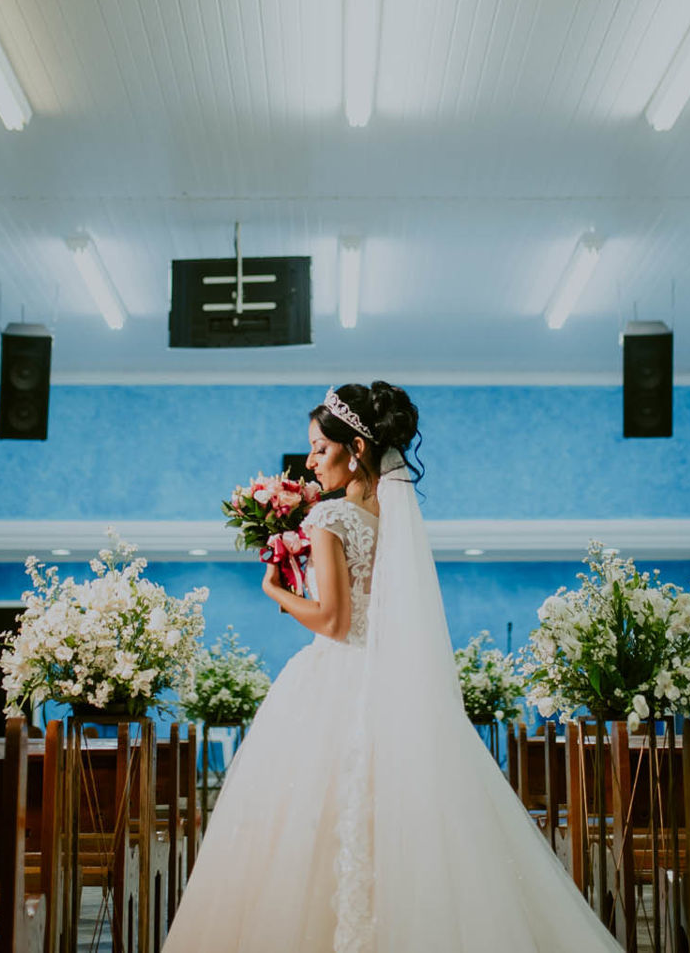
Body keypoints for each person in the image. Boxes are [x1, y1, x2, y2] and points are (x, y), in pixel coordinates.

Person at [163, 382, 622, 952]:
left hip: (336, 680)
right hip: (391, 684)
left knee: (308, 826)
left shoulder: (329, 515)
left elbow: (332, 620)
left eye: (317, 448)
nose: (308, 461)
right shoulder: (388, 517)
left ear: (354, 447)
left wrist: (276, 591)